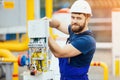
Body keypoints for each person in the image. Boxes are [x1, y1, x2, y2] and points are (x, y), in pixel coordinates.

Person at [48, 0, 96, 80]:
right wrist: (48, 21)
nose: (74, 21)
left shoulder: (87, 41)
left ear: (87, 19)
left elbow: (59, 52)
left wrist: (44, 34)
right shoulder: (75, 31)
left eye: (79, 18)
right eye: (72, 17)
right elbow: (58, 24)